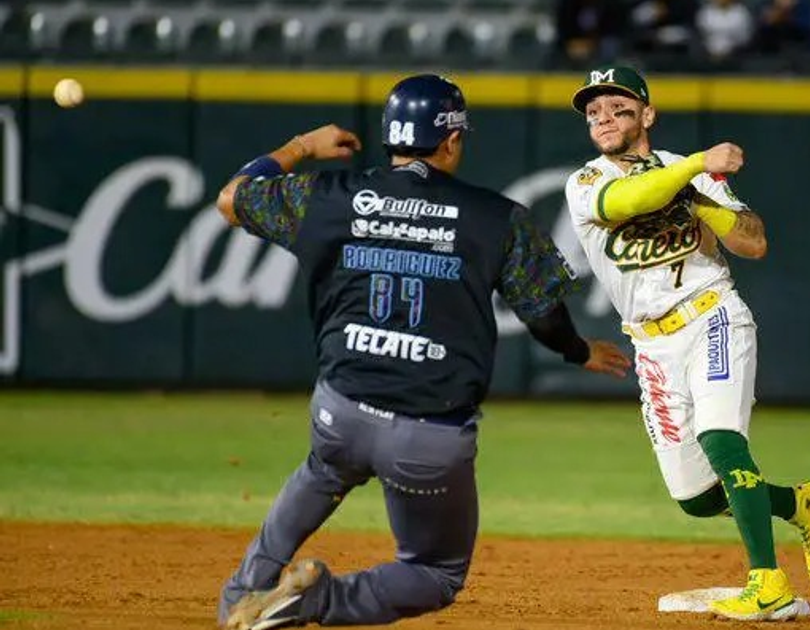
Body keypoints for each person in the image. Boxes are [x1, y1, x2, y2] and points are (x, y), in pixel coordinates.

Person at [214, 74, 631, 630]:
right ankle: (313, 602)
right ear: (453, 140)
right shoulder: (494, 217)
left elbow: (231, 199)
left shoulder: (330, 198)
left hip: (340, 409)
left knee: (325, 466)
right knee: (436, 571)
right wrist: (578, 352)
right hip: (428, 434)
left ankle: (241, 596)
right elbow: (543, 316)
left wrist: (301, 148)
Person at [562, 66, 810, 622]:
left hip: (711, 316)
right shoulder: (586, 182)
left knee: (721, 439)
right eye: (594, 113)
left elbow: (752, 242)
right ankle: (801, 502)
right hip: (650, 345)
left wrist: (695, 191)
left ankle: (767, 583)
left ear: (647, 115)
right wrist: (692, 167)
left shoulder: (688, 174)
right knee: (695, 498)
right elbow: (625, 202)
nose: (604, 120)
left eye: (618, 108)